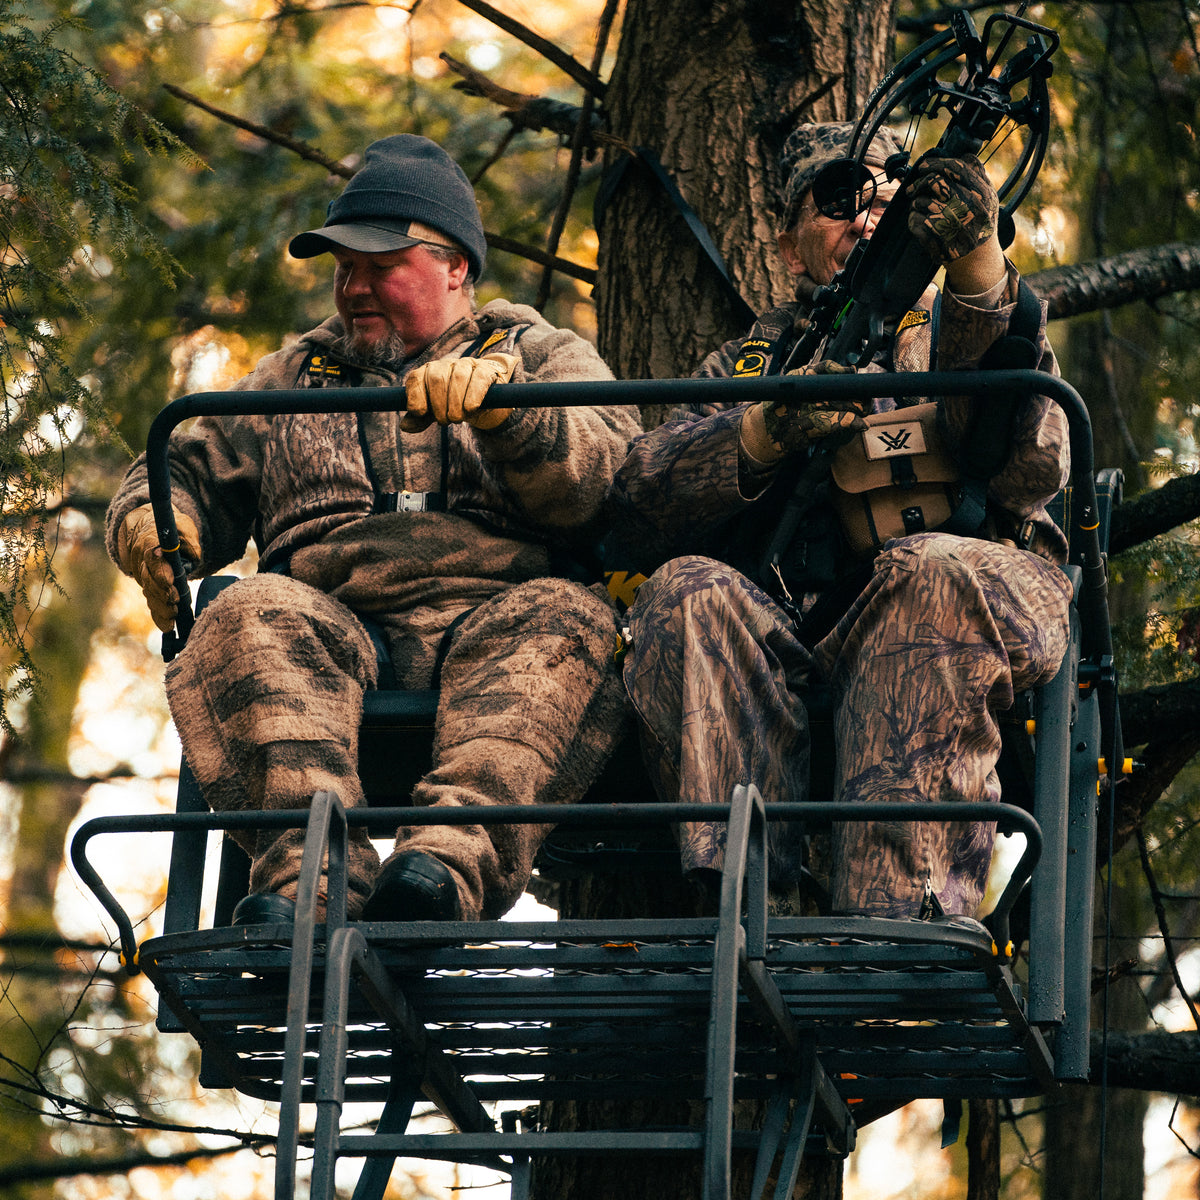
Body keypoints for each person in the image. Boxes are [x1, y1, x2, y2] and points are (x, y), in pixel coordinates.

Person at [107, 134, 641, 925]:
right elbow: (178, 465)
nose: (354, 287)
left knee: (568, 619)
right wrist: (158, 527)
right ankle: (310, 883)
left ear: (455, 266)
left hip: (502, 617)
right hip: (335, 627)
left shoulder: (540, 354)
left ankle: (440, 876)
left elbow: (614, 480)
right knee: (246, 612)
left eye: (380, 265)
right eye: (343, 268)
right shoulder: (292, 375)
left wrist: (507, 416)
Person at [607, 121, 1074, 920]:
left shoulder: (981, 320)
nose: (866, 220)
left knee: (927, 572)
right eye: (837, 202)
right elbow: (639, 507)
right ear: (789, 247)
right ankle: (751, 926)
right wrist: (761, 432)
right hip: (801, 628)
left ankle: (900, 930)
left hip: (978, 597)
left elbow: (1034, 469)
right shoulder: (747, 366)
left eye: (889, 201)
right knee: (687, 590)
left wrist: (980, 272)